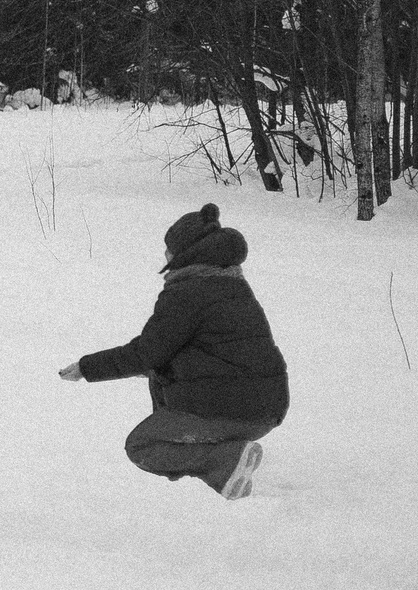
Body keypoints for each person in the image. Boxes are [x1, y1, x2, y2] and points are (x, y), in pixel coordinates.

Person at [61, 202, 288, 499]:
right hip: (266, 409)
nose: (164, 255)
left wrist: (87, 367)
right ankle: (227, 461)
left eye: (168, 249)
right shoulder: (232, 286)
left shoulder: (188, 292)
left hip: (233, 411)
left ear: (183, 252)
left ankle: (228, 459)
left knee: (142, 446)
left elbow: (147, 352)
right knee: (159, 372)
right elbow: (176, 354)